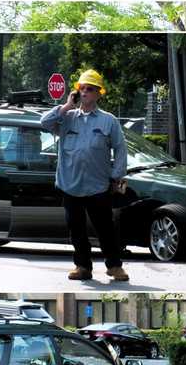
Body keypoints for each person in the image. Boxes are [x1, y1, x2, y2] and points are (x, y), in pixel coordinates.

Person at [41, 69, 129, 281]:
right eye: (82, 88)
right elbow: (44, 123)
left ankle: (114, 266)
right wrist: (66, 106)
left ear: (99, 93)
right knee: (76, 230)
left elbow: (120, 148)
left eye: (90, 89)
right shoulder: (66, 118)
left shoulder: (108, 121)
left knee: (105, 229)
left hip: (97, 185)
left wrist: (117, 175)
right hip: (70, 185)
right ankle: (82, 267)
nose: (85, 92)